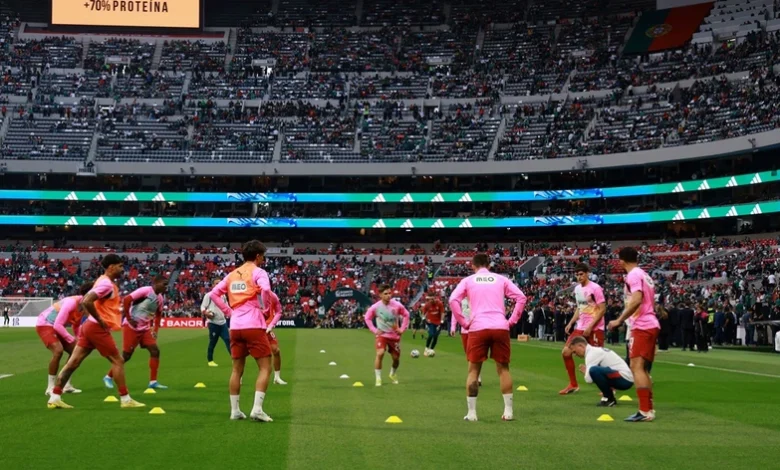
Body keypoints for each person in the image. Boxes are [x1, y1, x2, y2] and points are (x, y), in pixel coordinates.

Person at [47, 255, 145, 409]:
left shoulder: (101, 280)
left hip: (89, 327)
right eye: (119, 266)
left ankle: (55, 396)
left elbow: (86, 300)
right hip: (96, 329)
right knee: (118, 361)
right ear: (111, 267)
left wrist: (91, 318)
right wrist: (100, 320)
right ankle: (126, 399)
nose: (122, 269)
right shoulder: (106, 284)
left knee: (73, 362)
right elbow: (87, 300)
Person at [449, 253, 527, 422]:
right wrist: (511, 321)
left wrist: (463, 322)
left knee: (474, 370)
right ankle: (508, 411)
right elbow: (521, 297)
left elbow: (453, 299)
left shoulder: (468, 281)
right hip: (500, 326)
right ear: (489, 265)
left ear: (473, 265)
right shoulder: (500, 279)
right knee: (503, 369)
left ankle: (472, 413)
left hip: (478, 327)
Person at [208, 240, 274, 422]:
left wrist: (229, 311)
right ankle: (257, 409)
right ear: (258, 256)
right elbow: (266, 290)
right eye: (263, 256)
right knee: (265, 367)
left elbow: (214, 294)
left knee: (237, 370)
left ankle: (235, 411)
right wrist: (267, 309)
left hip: (235, 326)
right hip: (253, 323)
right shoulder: (258, 272)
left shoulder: (231, 275)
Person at [607, 247, 659, 422]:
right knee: (642, 368)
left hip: (642, 325)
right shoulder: (645, 275)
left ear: (621, 261)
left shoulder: (633, 275)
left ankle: (645, 411)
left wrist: (619, 320)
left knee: (636, 367)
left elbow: (637, 299)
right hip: (650, 323)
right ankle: (648, 408)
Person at [103, 275, 168, 390]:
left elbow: (158, 315)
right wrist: (128, 319)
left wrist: (155, 330)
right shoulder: (145, 291)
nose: (166, 287)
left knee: (155, 351)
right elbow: (127, 299)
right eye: (164, 284)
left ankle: (153, 381)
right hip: (132, 327)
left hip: (144, 328)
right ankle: (108, 376)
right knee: (126, 356)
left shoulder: (160, 298)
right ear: (156, 283)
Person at [36, 282, 94, 396]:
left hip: (56, 326)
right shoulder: (72, 302)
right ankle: (50, 387)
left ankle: (66, 385)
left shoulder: (84, 305)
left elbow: (76, 325)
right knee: (58, 351)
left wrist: (78, 339)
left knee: (75, 352)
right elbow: (58, 324)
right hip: (45, 323)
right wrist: (71, 339)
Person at [560, 263, 606, 395]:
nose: (579, 277)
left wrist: (591, 326)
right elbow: (579, 308)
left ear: (587, 273)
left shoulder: (596, 288)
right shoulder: (577, 289)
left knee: (600, 358)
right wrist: (571, 322)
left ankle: (609, 387)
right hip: (580, 327)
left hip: (595, 328)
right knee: (566, 352)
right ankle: (573, 385)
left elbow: (602, 309)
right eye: (577, 274)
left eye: (581, 274)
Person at [364, 284, 411, 387]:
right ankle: (378, 378)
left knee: (396, 359)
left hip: (394, 336)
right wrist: (374, 330)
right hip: (382, 335)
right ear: (380, 295)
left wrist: (402, 329)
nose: (388, 295)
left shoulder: (397, 305)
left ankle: (392, 374)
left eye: (390, 293)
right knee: (380, 353)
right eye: (386, 294)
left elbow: (407, 315)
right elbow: (367, 318)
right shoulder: (375, 307)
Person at [569, 336, 634, 407]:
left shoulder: (591, 354)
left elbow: (589, 380)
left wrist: (586, 372)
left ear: (581, 346)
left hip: (624, 379)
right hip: (626, 377)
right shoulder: (594, 351)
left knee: (594, 370)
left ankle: (609, 398)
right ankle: (609, 398)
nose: (575, 355)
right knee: (595, 370)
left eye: (574, 351)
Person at [449, 297, 481, 385]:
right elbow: (455, 314)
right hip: (464, 330)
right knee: (468, 354)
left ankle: (476, 377)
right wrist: (453, 327)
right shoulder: (460, 300)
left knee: (475, 353)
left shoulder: (476, 298)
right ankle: (475, 375)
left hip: (475, 329)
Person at [202, 279, 231, 367]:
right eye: (216, 283)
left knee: (228, 340)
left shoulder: (223, 296)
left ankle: (234, 358)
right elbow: (203, 306)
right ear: (213, 285)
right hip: (213, 323)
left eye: (219, 283)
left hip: (223, 323)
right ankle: (210, 360)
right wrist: (206, 312)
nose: (218, 285)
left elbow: (226, 306)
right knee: (213, 342)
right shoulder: (209, 295)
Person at [263, 290, 287, 385]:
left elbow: (278, 312)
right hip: (253, 326)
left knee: (276, 350)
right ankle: (238, 376)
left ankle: (277, 378)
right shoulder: (252, 294)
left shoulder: (272, 296)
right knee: (244, 352)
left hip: (266, 328)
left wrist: (270, 326)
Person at [422, 292, 445, 356]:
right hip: (430, 322)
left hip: (438, 323)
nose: (431, 300)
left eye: (432, 299)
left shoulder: (439, 303)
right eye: (430, 299)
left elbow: (442, 312)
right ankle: (426, 349)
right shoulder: (427, 305)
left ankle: (431, 349)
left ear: (435, 298)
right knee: (431, 335)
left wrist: (442, 320)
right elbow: (423, 313)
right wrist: (425, 319)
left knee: (435, 337)